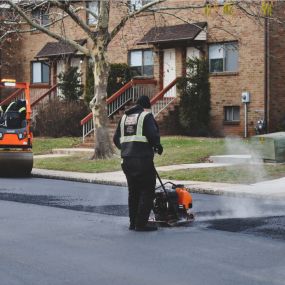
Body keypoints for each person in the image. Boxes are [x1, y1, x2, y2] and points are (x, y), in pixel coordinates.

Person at [113, 95, 163, 232]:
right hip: (143, 161)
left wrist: (126, 148)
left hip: (127, 160)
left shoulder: (124, 118)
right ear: (146, 107)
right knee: (147, 191)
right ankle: (141, 223)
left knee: (133, 192)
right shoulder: (145, 117)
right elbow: (153, 136)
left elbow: (116, 139)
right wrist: (157, 146)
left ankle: (133, 222)